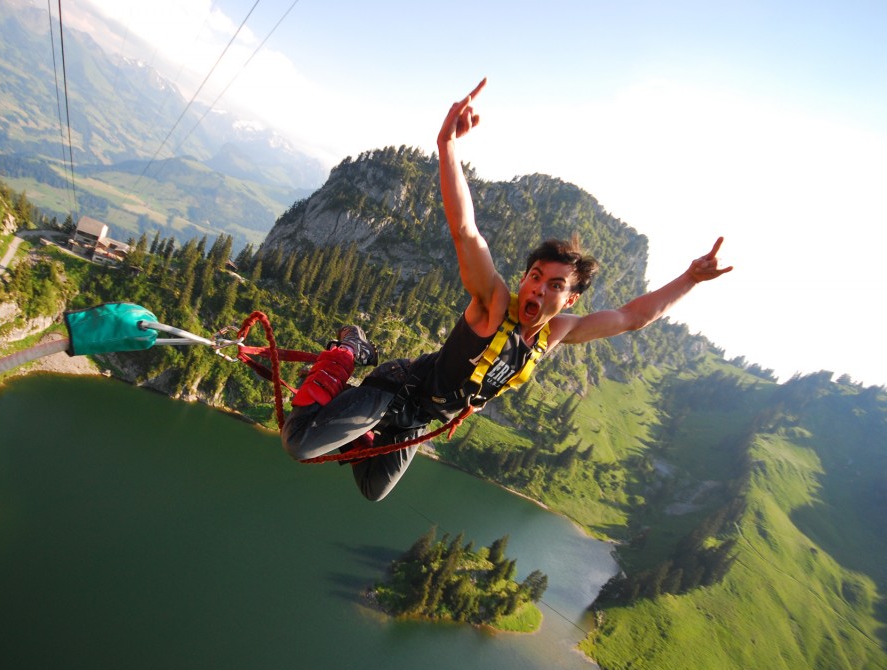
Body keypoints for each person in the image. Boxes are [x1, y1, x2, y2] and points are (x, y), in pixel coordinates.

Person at [281, 78, 732, 501]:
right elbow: (466, 231)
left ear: (569, 300)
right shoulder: (494, 307)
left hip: (418, 418)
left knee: (373, 488)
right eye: (535, 275)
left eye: (554, 285)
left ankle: (360, 427)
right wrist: (447, 146)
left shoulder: (557, 333)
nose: (538, 288)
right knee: (301, 445)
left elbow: (633, 317)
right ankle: (348, 352)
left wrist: (689, 279)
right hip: (397, 390)